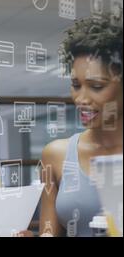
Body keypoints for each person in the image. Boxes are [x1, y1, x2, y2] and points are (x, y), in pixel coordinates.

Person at [39, 13, 122, 237]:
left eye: (96, 86)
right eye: (76, 85)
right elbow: (49, 233)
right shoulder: (56, 155)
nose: (81, 99)